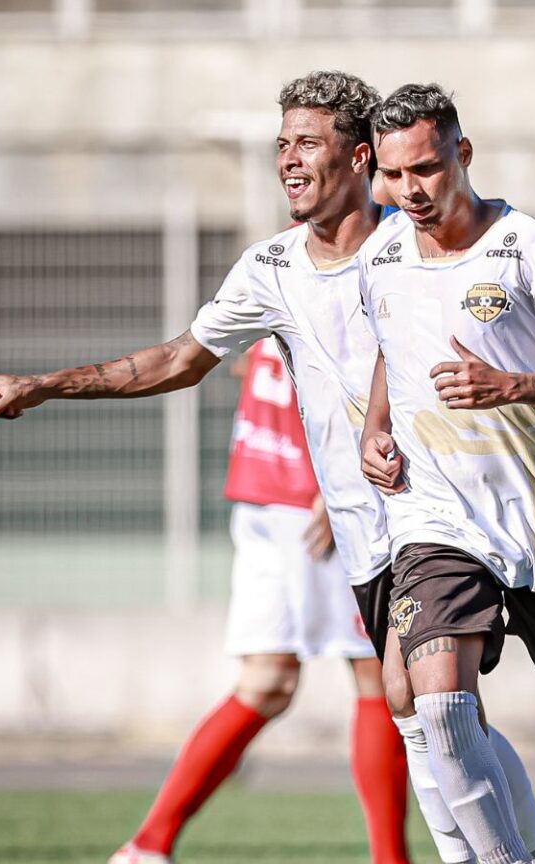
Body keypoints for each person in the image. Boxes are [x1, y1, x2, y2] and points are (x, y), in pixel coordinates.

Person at [0, 71, 535, 864]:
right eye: (282, 144)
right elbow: (178, 359)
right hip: (378, 526)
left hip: (494, 510)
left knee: (497, 712)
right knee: (426, 716)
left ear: (358, 157)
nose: (289, 160)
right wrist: (44, 385)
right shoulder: (273, 270)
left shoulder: (420, 233)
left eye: (307, 142)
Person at [356, 83, 535, 864]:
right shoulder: (380, 256)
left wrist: (516, 385)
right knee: (438, 702)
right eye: (393, 175)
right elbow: (395, 345)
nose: (410, 191)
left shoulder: (534, 248)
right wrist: (374, 428)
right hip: (436, 524)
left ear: (464, 154)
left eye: (425, 169)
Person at [111, 338, 408, 864]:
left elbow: (248, 361)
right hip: (313, 502)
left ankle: (147, 846)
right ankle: (392, 858)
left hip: (262, 491)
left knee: (268, 682)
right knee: (378, 678)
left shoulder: (269, 270)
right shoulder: (352, 271)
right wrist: (336, 482)